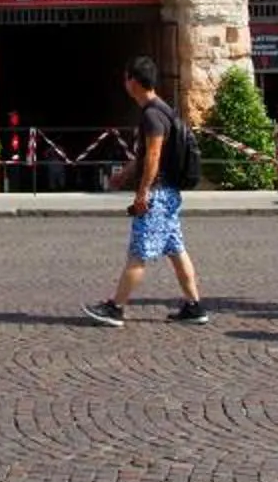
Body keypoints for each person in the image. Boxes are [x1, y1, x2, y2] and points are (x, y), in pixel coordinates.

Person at [86, 56, 210, 326]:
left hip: (158, 193)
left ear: (133, 81)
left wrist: (142, 193)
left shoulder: (152, 115)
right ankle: (194, 306)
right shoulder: (162, 109)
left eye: (125, 77)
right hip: (169, 192)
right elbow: (145, 156)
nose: (124, 82)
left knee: (138, 252)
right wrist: (125, 174)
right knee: (176, 250)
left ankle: (116, 308)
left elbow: (153, 156)